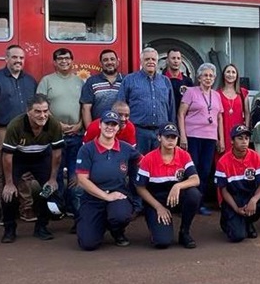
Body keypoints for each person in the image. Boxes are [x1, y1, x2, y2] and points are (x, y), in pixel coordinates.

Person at [0, 95, 64, 243]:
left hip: (42, 158)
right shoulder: (15, 125)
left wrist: (52, 179)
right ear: (28, 111)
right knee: (9, 194)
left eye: (45, 111)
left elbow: (57, 153)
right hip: (18, 159)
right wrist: (9, 183)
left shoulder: (54, 124)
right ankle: (9, 229)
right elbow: (7, 156)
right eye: (37, 111)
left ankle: (41, 226)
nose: (42, 115)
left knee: (49, 193)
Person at [0, 45, 39, 222]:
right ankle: (7, 212)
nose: (18, 61)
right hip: (2, 130)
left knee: (24, 172)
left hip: (26, 131)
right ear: (6, 59)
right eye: (14, 57)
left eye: (21, 58)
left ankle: (27, 208)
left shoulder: (31, 81)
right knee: (4, 173)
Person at [75, 110, 142, 250]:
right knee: (88, 244)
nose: (110, 127)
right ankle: (100, 224)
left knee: (120, 215)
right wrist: (106, 196)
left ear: (118, 128)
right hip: (93, 198)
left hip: (119, 194)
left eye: (114, 124)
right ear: (100, 125)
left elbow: (145, 161)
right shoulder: (87, 150)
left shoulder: (126, 148)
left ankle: (117, 231)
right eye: (107, 123)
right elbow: (82, 180)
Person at [134, 123, 201, 249]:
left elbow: (195, 179)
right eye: (167, 137)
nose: (171, 140)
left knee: (194, 195)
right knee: (162, 242)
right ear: (159, 138)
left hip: (175, 197)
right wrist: (158, 207)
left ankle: (184, 232)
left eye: (174, 137)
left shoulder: (183, 155)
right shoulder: (148, 159)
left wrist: (178, 186)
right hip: (156, 200)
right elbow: (140, 188)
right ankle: (156, 227)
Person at [37, 48, 84, 215]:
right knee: (54, 173)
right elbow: (40, 107)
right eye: (60, 59)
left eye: (67, 58)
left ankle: (73, 207)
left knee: (75, 174)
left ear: (72, 61)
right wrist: (57, 124)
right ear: (54, 62)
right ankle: (57, 207)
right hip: (54, 136)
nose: (64, 61)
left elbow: (84, 107)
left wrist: (80, 124)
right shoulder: (47, 81)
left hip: (76, 135)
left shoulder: (80, 81)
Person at [178, 63, 224, 216]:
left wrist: (220, 139)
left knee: (205, 171)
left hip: (210, 138)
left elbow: (219, 118)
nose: (208, 78)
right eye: (205, 75)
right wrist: (183, 136)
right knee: (192, 170)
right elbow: (181, 114)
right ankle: (186, 202)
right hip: (193, 136)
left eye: (211, 75)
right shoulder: (191, 92)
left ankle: (199, 203)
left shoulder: (217, 95)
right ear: (199, 77)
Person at [214, 125, 260, 242]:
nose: (244, 142)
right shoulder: (223, 161)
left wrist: (254, 200)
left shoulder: (255, 156)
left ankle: (248, 221)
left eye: (246, 138)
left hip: (249, 196)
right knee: (238, 237)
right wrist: (236, 208)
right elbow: (223, 190)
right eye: (240, 138)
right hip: (233, 199)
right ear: (232, 141)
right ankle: (227, 219)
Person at [117, 47, 175, 155]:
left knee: (158, 165)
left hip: (160, 132)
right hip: (138, 132)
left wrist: (171, 130)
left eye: (153, 59)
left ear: (157, 62)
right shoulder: (130, 80)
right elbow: (120, 104)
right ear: (141, 61)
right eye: (147, 59)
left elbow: (171, 107)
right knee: (137, 164)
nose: (150, 62)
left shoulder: (165, 81)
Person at [80, 49, 123, 128]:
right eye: (105, 60)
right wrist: (90, 130)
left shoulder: (126, 80)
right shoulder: (92, 81)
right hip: (99, 128)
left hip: (120, 128)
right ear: (101, 63)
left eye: (112, 59)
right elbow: (86, 108)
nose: (109, 62)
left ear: (117, 62)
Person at [163, 48, 194, 112]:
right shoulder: (161, 80)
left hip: (183, 119)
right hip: (166, 118)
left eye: (178, 58)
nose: (176, 61)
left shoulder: (188, 81)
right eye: (173, 58)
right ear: (167, 60)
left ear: (181, 61)